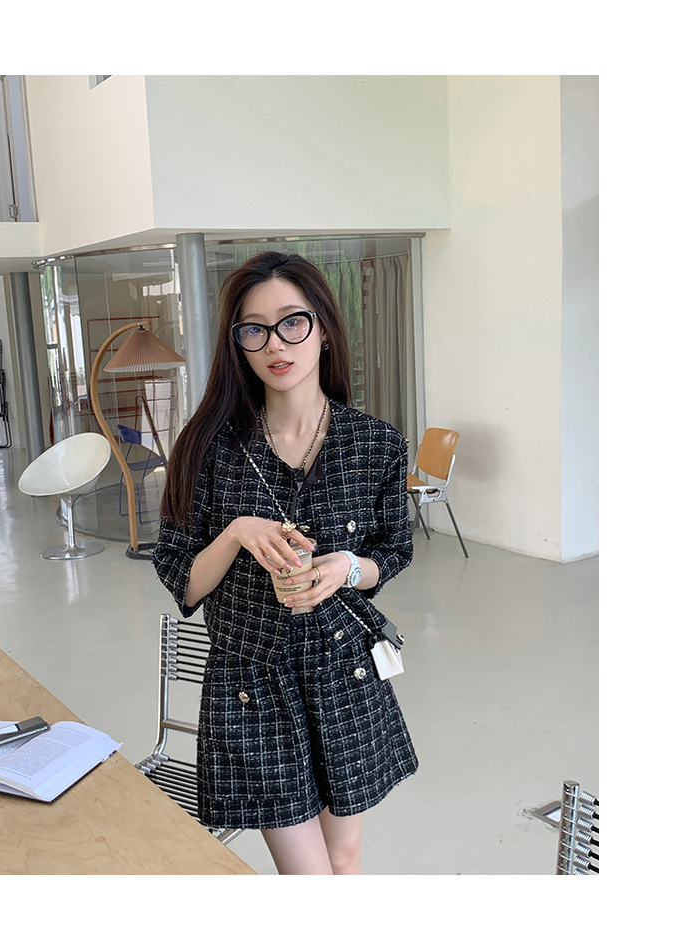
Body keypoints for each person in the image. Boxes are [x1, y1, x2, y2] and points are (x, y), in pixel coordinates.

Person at [153, 251, 418, 875]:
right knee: (310, 877)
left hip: (343, 675)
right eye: (254, 329)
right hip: (252, 685)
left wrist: (345, 568)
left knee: (345, 861)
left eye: (293, 322)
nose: (275, 343)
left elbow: (393, 552)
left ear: (323, 328)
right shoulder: (208, 448)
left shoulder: (374, 443)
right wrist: (235, 534)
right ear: (237, 343)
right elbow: (183, 581)